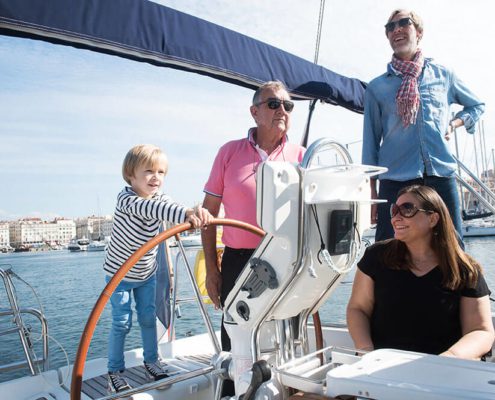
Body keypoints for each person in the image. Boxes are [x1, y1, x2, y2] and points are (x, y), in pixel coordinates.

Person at [201, 80, 305, 394]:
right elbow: (209, 216)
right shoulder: (228, 152)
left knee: (284, 340)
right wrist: (212, 270)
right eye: (274, 103)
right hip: (238, 261)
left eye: (288, 105)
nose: (282, 110)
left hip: (286, 262)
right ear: (254, 111)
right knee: (236, 341)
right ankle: (236, 394)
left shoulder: (301, 155)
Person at [362, 9, 485, 243]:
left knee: (453, 249)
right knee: (388, 251)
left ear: (419, 32)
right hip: (396, 180)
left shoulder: (444, 75)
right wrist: (372, 191)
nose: (396, 29)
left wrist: (455, 123)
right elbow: (370, 142)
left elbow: (476, 106)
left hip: (440, 175)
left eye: (403, 23)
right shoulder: (376, 88)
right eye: (390, 27)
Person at [103, 144, 212, 394]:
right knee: (121, 323)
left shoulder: (161, 198)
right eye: (149, 171)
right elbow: (155, 210)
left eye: (161, 172)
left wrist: (192, 212)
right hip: (119, 274)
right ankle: (114, 373)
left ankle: (152, 362)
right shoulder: (127, 199)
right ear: (131, 175)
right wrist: (186, 213)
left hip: (146, 272)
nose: (156, 178)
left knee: (147, 318)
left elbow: (167, 206)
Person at [347, 185, 494, 359]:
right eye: (394, 211)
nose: (396, 218)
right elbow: (358, 309)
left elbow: (481, 331)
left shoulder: (464, 269)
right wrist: (366, 352)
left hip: (443, 372)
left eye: (407, 209)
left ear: (433, 219)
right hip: (382, 367)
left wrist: (447, 358)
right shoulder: (376, 257)